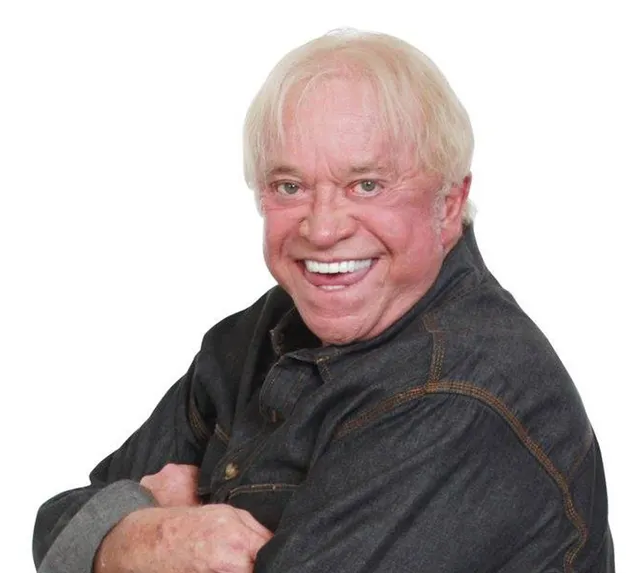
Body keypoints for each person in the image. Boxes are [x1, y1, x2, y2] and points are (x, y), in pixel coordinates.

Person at [33, 29, 613, 573]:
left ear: (447, 204)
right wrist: (152, 540)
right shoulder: (251, 339)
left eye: (367, 185)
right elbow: (57, 529)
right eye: (291, 186)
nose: (324, 227)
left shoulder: (459, 393)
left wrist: (132, 535)